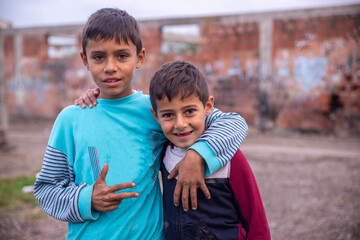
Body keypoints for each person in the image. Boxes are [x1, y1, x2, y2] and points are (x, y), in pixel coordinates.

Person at [34, 8, 248, 240]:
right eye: (99, 57)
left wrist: (198, 155)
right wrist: (87, 199)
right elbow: (46, 189)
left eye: (122, 55)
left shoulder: (157, 112)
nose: (110, 67)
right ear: (85, 59)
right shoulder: (71, 120)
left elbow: (234, 124)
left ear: (140, 57)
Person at [149, 60, 271, 240]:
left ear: (207, 106)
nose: (180, 124)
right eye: (168, 115)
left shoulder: (230, 157)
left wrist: (198, 155)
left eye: (189, 111)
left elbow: (255, 220)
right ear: (155, 115)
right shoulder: (164, 152)